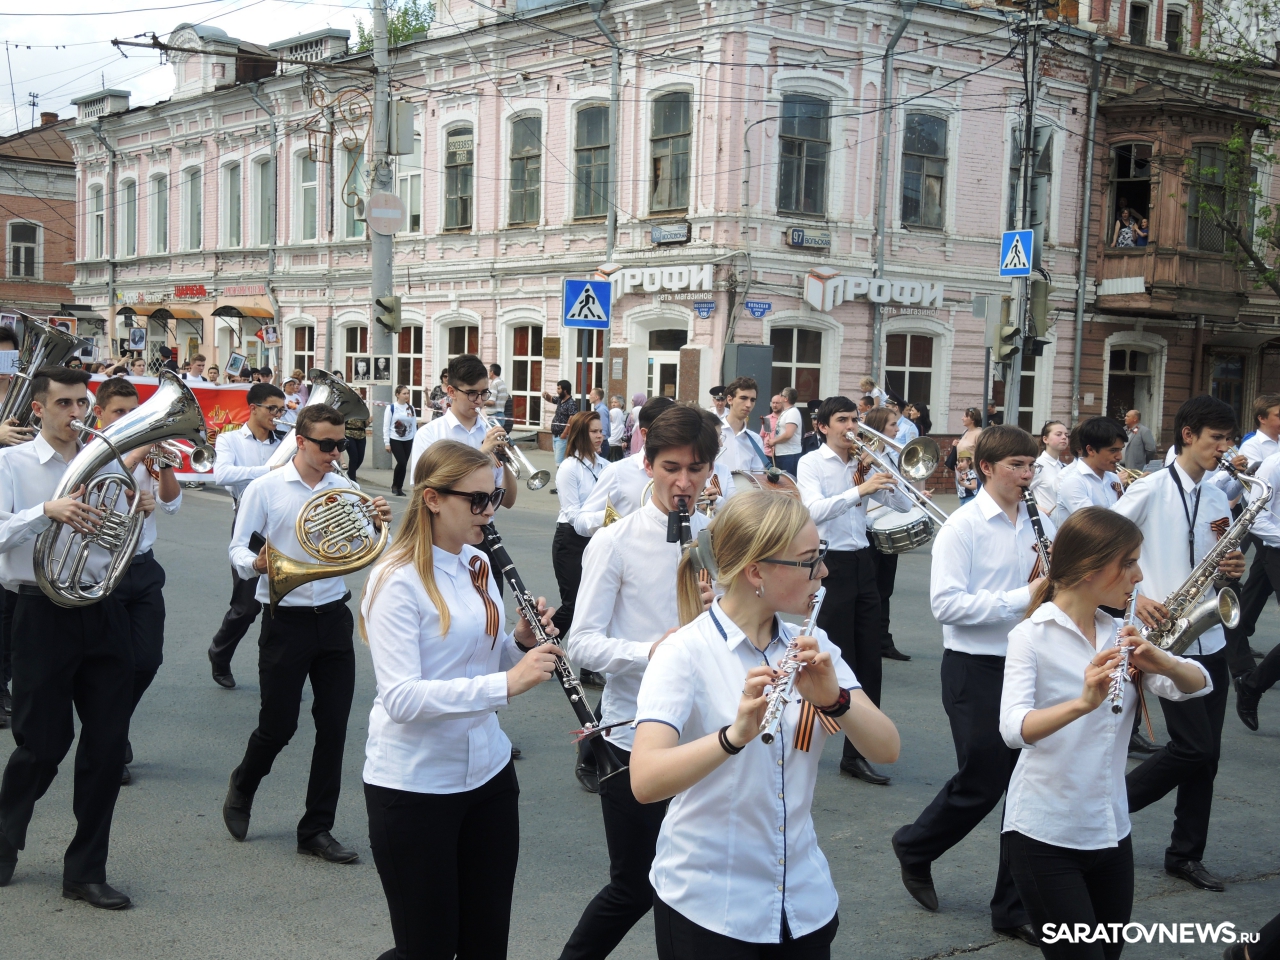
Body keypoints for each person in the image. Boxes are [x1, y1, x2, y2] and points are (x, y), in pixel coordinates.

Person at [629, 491, 900, 960]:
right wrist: (732, 738)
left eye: (821, 556)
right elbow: (645, 780)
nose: (823, 572)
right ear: (756, 572)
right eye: (809, 561)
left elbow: (886, 749)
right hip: (710, 906)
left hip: (803, 902)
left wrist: (835, 701)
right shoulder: (683, 653)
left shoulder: (812, 645)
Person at [361, 440, 560, 960]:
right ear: (432, 498)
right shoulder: (395, 580)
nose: (489, 510)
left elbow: (480, 661)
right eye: (476, 500)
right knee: (427, 947)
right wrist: (508, 684)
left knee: (486, 941)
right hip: (416, 784)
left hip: (489, 773)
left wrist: (519, 643)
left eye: (493, 497)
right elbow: (402, 698)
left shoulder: (478, 563)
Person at [1001, 507, 1211, 959]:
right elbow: (1013, 729)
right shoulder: (1030, 636)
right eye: (1128, 562)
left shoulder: (1121, 633)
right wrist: (1082, 704)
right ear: (1089, 568)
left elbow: (1198, 685)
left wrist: (1163, 662)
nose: (1139, 576)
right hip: (1044, 832)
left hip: (1110, 828)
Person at [560, 404, 718, 960]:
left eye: (696, 469)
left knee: (696, 884)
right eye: (671, 467)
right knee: (634, 887)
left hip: (708, 735)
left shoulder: (718, 537)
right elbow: (581, 643)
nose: (684, 483)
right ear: (647, 465)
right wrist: (653, 651)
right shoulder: (615, 541)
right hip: (635, 736)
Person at [892, 425, 1052, 947]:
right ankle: (915, 845)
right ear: (986, 468)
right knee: (984, 777)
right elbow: (946, 605)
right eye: (1016, 466)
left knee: (1026, 786)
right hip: (975, 666)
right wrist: (1023, 597)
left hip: (1031, 662)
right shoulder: (962, 527)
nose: (1027, 476)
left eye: (1031, 466)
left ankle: (1012, 907)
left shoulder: (1042, 519)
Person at [0, 365, 149, 908]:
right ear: (38, 409)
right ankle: (4, 835)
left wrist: (137, 510)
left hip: (100, 607)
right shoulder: (11, 463)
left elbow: (119, 536)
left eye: (82, 403)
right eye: (64, 404)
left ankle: (85, 871)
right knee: (42, 746)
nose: (76, 414)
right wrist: (46, 512)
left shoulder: (106, 461)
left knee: (107, 748)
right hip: (41, 610)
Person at [221, 404, 392, 863]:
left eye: (341, 444)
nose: (336, 454)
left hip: (334, 617)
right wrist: (256, 563)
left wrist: (380, 524)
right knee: (278, 726)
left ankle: (316, 828)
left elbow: (380, 551)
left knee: (333, 727)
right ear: (300, 441)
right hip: (285, 619)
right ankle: (244, 783)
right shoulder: (265, 488)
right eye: (327, 445)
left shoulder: (345, 488)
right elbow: (237, 548)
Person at [1114, 395, 1245, 893]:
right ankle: (1106, 806)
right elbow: (1102, 546)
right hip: (1163, 639)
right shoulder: (1148, 489)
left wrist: (1233, 569)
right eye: (1217, 438)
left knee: (1207, 758)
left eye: (1229, 439)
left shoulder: (1216, 496)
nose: (1224, 448)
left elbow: (1220, 564)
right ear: (1188, 435)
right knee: (1194, 748)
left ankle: (1185, 854)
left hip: (1209, 633)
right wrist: (1138, 597)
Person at [797, 396, 913, 784]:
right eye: (843, 420)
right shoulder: (811, 463)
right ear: (823, 426)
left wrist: (887, 469)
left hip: (864, 561)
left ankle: (857, 752)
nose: (852, 427)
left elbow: (901, 505)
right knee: (826, 658)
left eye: (855, 420)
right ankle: (800, 739)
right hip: (829, 564)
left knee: (868, 660)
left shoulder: (864, 461)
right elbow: (812, 510)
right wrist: (860, 491)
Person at [93, 378, 183, 787]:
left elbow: (171, 504)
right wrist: (136, 454)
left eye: (135, 413)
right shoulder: (90, 452)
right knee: (111, 664)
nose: (129, 419)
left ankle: (112, 726)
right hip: (102, 569)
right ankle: (110, 743)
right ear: (100, 414)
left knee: (147, 660)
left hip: (143, 567)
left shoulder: (147, 453)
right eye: (120, 412)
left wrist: (164, 466)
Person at [207, 382, 289, 688]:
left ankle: (280, 674)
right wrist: (269, 471)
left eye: (282, 410)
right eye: (272, 409)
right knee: (247, 606)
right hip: (249, 524)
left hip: (283, 525)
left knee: (284, 606)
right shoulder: (229, 440)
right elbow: (222, 474)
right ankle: (219, 653)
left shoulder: (287, 441)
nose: (278, 415)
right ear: (253, 408)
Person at [574, 396, 675, 537]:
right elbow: (581, 522)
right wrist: (618, 517)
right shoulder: (618, 472)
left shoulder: (688, 472)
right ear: (645, 434)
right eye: (667, 432)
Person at [862, 406, 915, 664]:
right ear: (879, 427)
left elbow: (900, 495)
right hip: (869, 530)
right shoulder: (864, 457)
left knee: (885, 589)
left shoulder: (892, 456)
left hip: (888, 528)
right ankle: (872, 641)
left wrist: (914, 497)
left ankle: (884, 640)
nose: (897, 429)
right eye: (893, 424)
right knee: (871, 591)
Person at [552, 411, 606, 643]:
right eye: (594, 431)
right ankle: (539, 648)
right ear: (581, 434)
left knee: (594, 606)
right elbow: (573, 515)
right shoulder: (569, 467)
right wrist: (608, 517)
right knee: (573, 605)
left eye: (601, 431)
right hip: (570, 541)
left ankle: (588, 659)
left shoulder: (606, 466)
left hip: (598, 540)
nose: (600, 436)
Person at [1051, 417, 1127, 526]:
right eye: (1113, 450)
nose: (1119, 457)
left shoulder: (1113, 478)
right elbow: (1095, 526)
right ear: (1090, 450)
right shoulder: (1074, 482)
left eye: (1120, 450)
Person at [716, 378, 770, 476]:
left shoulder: (755, 439)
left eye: (752, 400)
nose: (749, 404)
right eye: (743, 398)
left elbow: (757, 477)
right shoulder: (712, 433)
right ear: (730, 399)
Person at [383, 384, 419, 497]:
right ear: (397, 395)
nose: (407, 395)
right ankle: (395, 485)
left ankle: (399, 487)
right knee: (401, 462)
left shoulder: (411, 408)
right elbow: (386, 426)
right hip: (395, 438)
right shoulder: (391, 408)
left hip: (408, 439)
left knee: (404, 464)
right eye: (404, 393)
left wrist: (415, 439)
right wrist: (387, 443)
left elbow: (414, 425)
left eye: (408, 393)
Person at [1030, 420, 1070, 515]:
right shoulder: (1037, 466)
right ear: (1045, 439)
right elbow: (1018, 494)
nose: (1064, 437)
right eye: (1058, 434)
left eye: (1066, 435)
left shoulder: (1065, 467)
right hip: (1047, 520)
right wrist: (1036, 507)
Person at [544, 379, 579, 466]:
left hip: (562, 437)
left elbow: (571, 419)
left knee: (560, 462)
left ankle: (560, 474)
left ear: (565, 391)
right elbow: (550, 399)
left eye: (559, 389)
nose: (557, 391)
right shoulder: (560, 400)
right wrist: (545, 395)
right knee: (558, 460)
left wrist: (564, 433)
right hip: (556, 435)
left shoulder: (571, 403)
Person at [485, 362, 511, 430]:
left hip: (494, 417)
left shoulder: (495, 384)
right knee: (498, 435)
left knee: (489, 435)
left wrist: (481, 402)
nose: (488, 373)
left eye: (489, 371)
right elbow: (506, 398)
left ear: (492, 372)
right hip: (501, 416)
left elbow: (491, 402)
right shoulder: (502, 383)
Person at [344, 412, 368, 485]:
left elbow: (365, 425)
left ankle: (349, 473)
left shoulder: (363, 410)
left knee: (360, 458)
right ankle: (352, 479)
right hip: (348, 433)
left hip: (361, 435)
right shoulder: (347, 409)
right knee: (354, 457)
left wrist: (369, 421)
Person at [590, 387, 612, 461]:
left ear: (597, 397)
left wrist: (599, 446)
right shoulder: (599, 409)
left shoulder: (601, 410)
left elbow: (603, 430)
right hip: (600, 442)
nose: (589, 397)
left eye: (591, 395)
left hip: (601, 443)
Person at [762, 395, 782, 459]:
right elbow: (762, 436)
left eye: (777, 403)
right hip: (768, 454)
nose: (774, 405)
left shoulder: (785, 418)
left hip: (781, 454)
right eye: (773, 403)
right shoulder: (767, 419)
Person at [607, 395, 626, 462]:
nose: (613, 404)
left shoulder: (625, 416)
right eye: (612, 402)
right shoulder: (610, 425)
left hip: (617, 448)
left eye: (615, 402)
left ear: (621, 404)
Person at [628, 392, 646, 456]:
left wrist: (638, 454)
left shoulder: (639, 426)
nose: (631, 402)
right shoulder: (637, 423)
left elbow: (640, 441)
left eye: (633, 400)